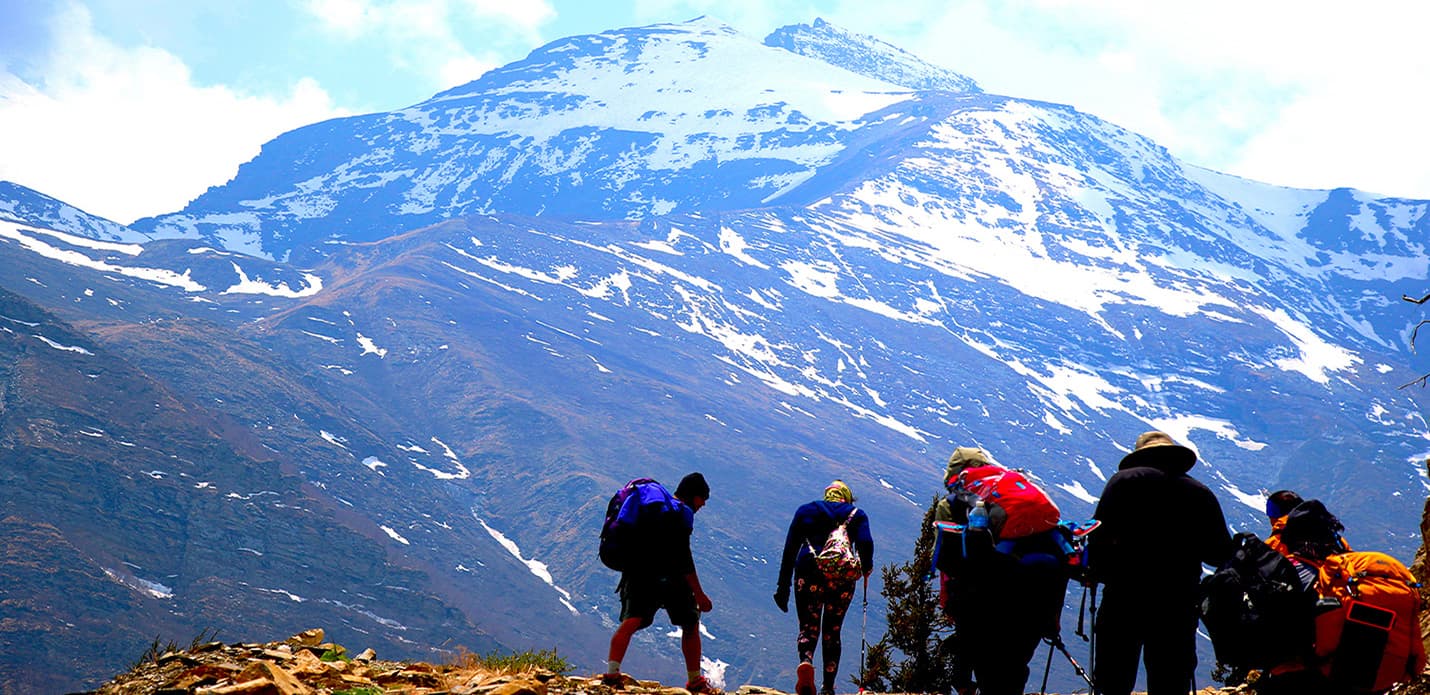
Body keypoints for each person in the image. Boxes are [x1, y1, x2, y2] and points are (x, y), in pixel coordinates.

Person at [1088, 431, 1232, 695]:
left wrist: (1097, 571)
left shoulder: (1123, 481)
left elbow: (1099, 538)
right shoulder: (1200, 492)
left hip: (1124, 595)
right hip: (1177, 600)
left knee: (1114, 675)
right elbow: (1219, 552)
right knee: (1170, 678)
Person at [934, 446, 1069, 695]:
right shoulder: (1019, 492)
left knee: (989, 671)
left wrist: (952, 600)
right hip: (1038, 596)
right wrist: (1053, 617)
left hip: (986, 601)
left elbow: (946, 560)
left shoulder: (955, 502)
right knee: (1014, 668)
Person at [604, 472, 720, 694]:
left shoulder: (653, 507)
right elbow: (684, 556)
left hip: (638, 572)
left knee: (631, 622)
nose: (703, 504)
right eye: (702, 498)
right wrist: (699, 593)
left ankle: (611, 673)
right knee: (690, 625)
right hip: (671, 578)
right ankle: (695, 681)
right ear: (693, 495)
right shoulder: (682, 513)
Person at [773, 480, 874, 695]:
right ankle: (828, 687)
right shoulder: (857, 515)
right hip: (842, 580)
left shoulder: (806, 511)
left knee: (808, 626)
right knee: (833, 631)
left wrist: (783, 588)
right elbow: (865, 543)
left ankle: (806, 662)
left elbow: (789, 550)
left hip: (808, 573)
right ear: (845, 497)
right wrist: (866, 568)